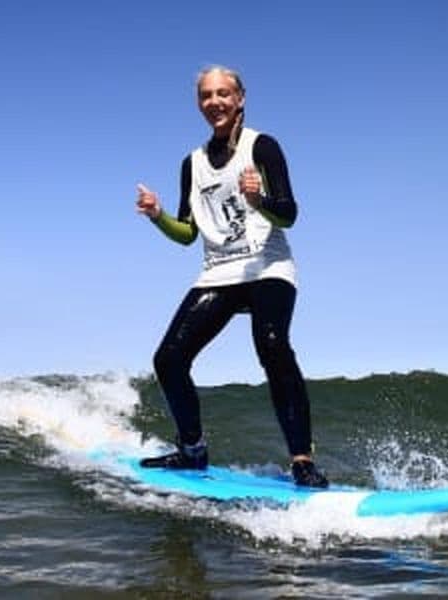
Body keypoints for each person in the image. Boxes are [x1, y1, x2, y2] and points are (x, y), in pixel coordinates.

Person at [135, 66, 328, 488]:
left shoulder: (263, 146)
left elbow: (289, 215)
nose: (214, 102)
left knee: (273, 345)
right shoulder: (193, 163)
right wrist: (157, 216)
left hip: (267, 267)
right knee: (168, 360)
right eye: (206, 95)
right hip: (218, 273)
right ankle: (192, 451)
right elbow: (188, 234)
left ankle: (302, 461)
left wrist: (259, 200)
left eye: (223, 93)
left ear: (240, 97)